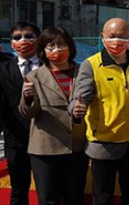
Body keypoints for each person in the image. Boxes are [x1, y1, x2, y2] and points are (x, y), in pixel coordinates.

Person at [70, 18, 129, 205]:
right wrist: (76, 109)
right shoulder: (92, 65)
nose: (116, 41)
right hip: (104, 144)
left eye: (122, 37)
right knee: (103, 197)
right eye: (111, 37)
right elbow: (79, 99)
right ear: (102, 37)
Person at [18, 27, 88, 205]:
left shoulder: (84, 73)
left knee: (75, 197)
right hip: (45, 148)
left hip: (77, 146)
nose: (57, 50)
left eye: (62, 45)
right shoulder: (34, 77)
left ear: (70, 47)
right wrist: (27, 98)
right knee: (48, 199)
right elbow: (28, 113)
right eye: (51, 45)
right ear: (43, 50)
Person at [0, 21, 42, 205]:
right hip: (16, 138)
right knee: (18, 191)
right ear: (11, 43)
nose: (23, 41)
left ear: (39, 40)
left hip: (47, 138)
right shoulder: (3, 69)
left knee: (47, 192)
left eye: (29, 36)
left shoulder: (50, 66)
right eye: (17, 37)